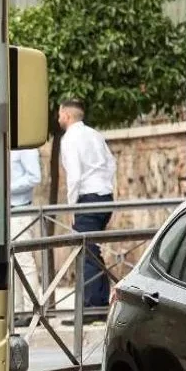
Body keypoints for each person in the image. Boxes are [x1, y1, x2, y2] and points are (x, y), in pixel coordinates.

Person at [58, 98, 117, 314]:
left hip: (87, 199)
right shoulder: (95, 135)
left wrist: (71, 207)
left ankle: (92, 307)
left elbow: (74, 175)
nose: (58, 118)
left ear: (67, 115)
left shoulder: (69, 139)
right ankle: (98, 302)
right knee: (92, 249)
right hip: (104, 196)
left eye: (59, 114)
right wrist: (107, 186)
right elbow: (111, 163)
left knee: (85, 251)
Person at [9, 148, 42, 325]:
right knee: (12, 262)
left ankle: (32, 311)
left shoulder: (27, 148)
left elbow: (34, 177)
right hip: (7, 209)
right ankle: (18, 310)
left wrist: (6, 187)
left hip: (20, 209)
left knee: (24, 260)